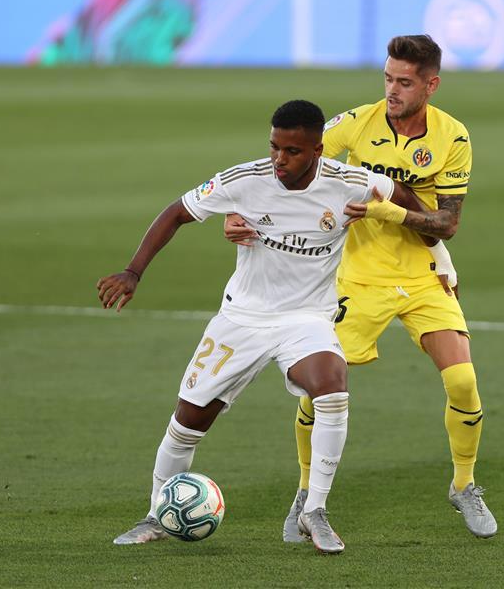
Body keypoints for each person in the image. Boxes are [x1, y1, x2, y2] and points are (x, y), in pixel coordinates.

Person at [97, 99, 444, 554]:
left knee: (332, 385)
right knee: (188, 423)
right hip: (242, 317)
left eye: (292, 151)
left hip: (306, 318)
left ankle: (314, 511)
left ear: (318, 150)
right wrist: (133, 271)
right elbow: (177, 212)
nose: (280, 159)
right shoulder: (245, 180)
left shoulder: (351, 183)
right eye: (275, 147)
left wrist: (430, 243)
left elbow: (412, 206)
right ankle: (155, 516)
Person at [225, 36, 497, 539]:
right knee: (319, 386)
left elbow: (447, 224)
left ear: (431, 85)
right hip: (357, 278)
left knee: (463, 381)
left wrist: (387, 211)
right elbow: (288, 164)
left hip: (423, 275)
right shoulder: (355, 123)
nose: (392, 90)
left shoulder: (453, 137)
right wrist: (240, 210)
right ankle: (305, 493)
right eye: (388, 78)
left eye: (405, 82)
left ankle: (464, 486)